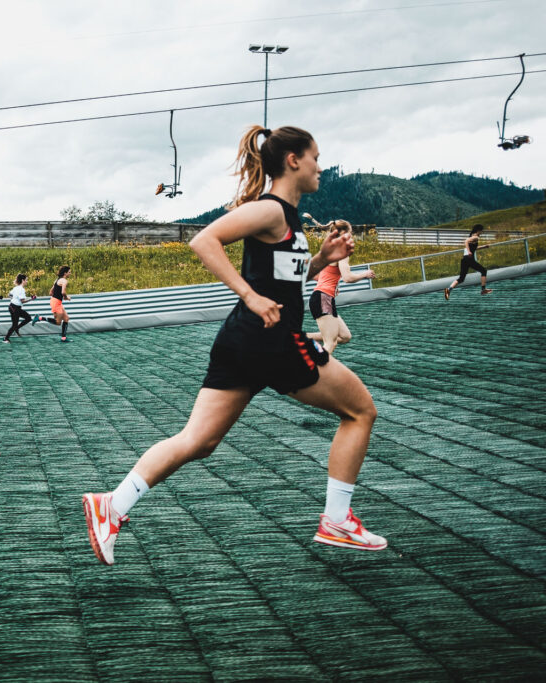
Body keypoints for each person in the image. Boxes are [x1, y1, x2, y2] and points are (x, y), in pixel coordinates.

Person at [82, 125, 386, 566]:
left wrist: (321, 260)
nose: (322, 166)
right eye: (316, 157)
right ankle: (337, 520)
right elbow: (203, 241)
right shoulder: (271, 210)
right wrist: (249, 295)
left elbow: (281, 277)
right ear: (294, 161)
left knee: (198, 441)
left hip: (243, 341)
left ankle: (112, 505)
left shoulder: (290, 218)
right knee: (361, 411)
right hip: (272, 341)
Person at [306, 221, 375, 354]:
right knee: (330, 342)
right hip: (323, 298)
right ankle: (316, 371)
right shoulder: (342, 252)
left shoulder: (331, 251)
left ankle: (301, 337)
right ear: (346, 233)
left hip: (323, 297)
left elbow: (319, 276)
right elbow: (347, 278)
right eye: (350, 234)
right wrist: (365, 274)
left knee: (344, 336)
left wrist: (332, 285)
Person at [445, 224, 492, 299]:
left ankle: (448, 290)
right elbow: (466, 241)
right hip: (469, 259)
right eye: (481, 231)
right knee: (483, 271)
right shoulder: (475, 237)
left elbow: (474, 248)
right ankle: (483, 290)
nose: (482, 233)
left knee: (461, 279)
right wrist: (469, 251)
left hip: (464, 260)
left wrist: (484, 247)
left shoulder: (471, 236)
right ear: (478, 230)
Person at [2, 273, 46, 343]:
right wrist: (31, 299)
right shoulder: (21, 289)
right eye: (26, 280)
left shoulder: (16, 288)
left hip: (13, 307)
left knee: (28, 318)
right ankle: (6, 338)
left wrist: (14, 298)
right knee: (15, 324)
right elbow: (23, 301)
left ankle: (16, 328)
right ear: (23, 280)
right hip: (14, 308)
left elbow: (9, 294)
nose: (27, 281)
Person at [46, 265, 73, 342]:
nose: (70, 274)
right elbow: (63, 292)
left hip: (56, 301)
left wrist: (57, 297)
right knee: (58, 322)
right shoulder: (64, 281)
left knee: (66, 318)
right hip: (56, 302)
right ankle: (40, 318)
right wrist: (66, 297)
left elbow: (51, 292)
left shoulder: (57, 280)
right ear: (65, 273)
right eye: (69, 272)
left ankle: (63, 338)